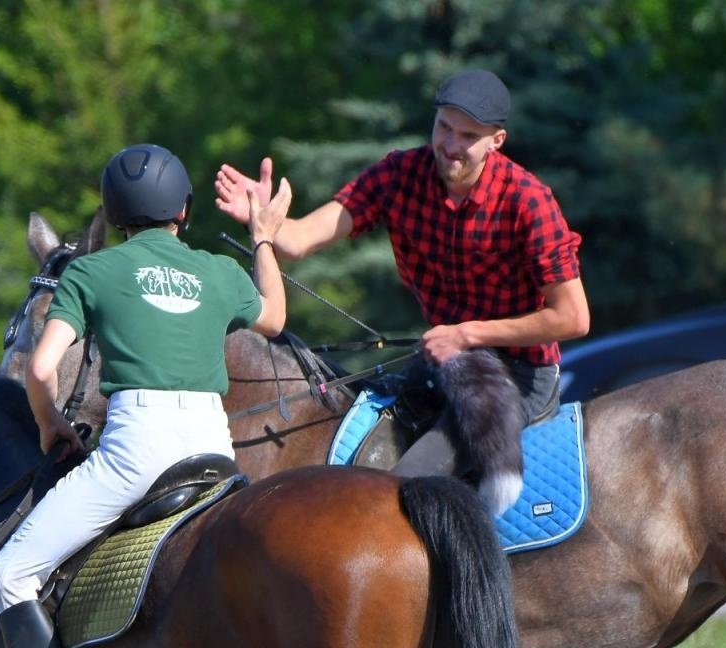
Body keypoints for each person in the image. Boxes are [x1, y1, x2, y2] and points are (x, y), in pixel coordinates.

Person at [0, 143, 293, 648]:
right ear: (184, 210)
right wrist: (261, 238)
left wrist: (48, 423)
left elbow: (39, 367)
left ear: (113, 219)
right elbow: (277, 317)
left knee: (8, 575)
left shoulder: (92, 275)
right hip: (211, 445)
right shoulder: (211, 269)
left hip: (136, 450)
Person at [214, 69, 590, 481]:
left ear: (496, 141)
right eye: (444, 128)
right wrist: (265, 220)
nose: (450, 145)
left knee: (400, 487)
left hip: (518, 377)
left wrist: (466, 334)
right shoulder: (400, 174)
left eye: (468, 136)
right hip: (445, 362)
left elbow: (572, 317)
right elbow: (300, 240)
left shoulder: (528, 200)